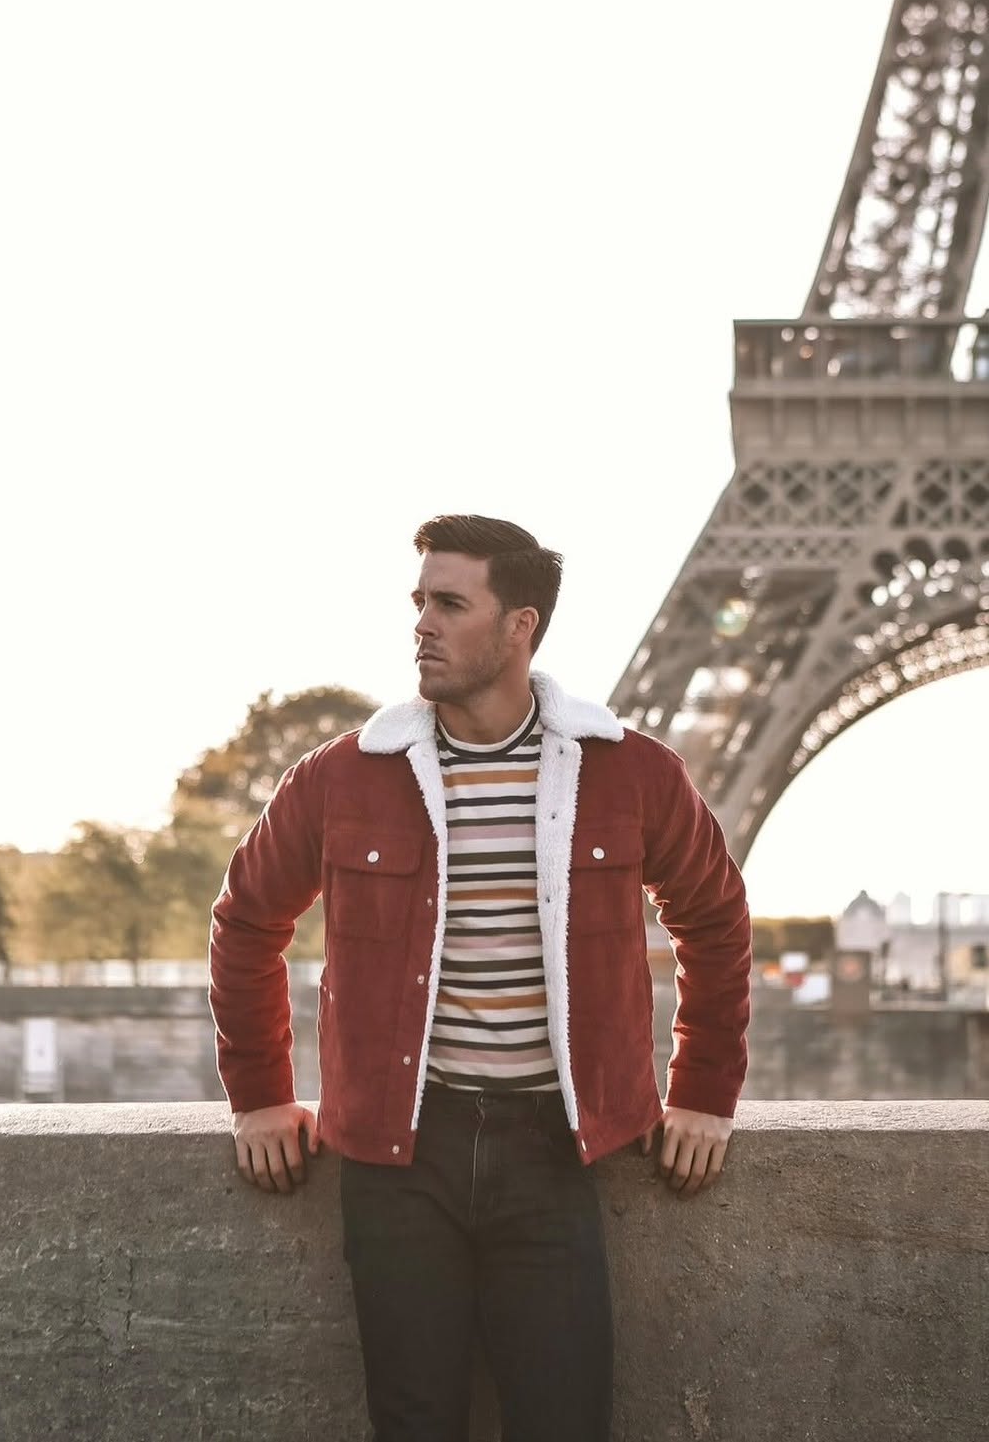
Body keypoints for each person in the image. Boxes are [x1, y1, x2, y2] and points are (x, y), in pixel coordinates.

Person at [208, 514, 752, 1442]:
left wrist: (702, 1088)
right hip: (398, 1158)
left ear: (519, 625)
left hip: (553, 1150)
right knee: (414, 1424)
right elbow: (247, 919)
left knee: (565, 1422)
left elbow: (715, 916)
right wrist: (260, 1094)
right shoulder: (341, 777)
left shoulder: (630, 773)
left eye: (450, 603)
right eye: (419, 600)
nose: (421, 622)